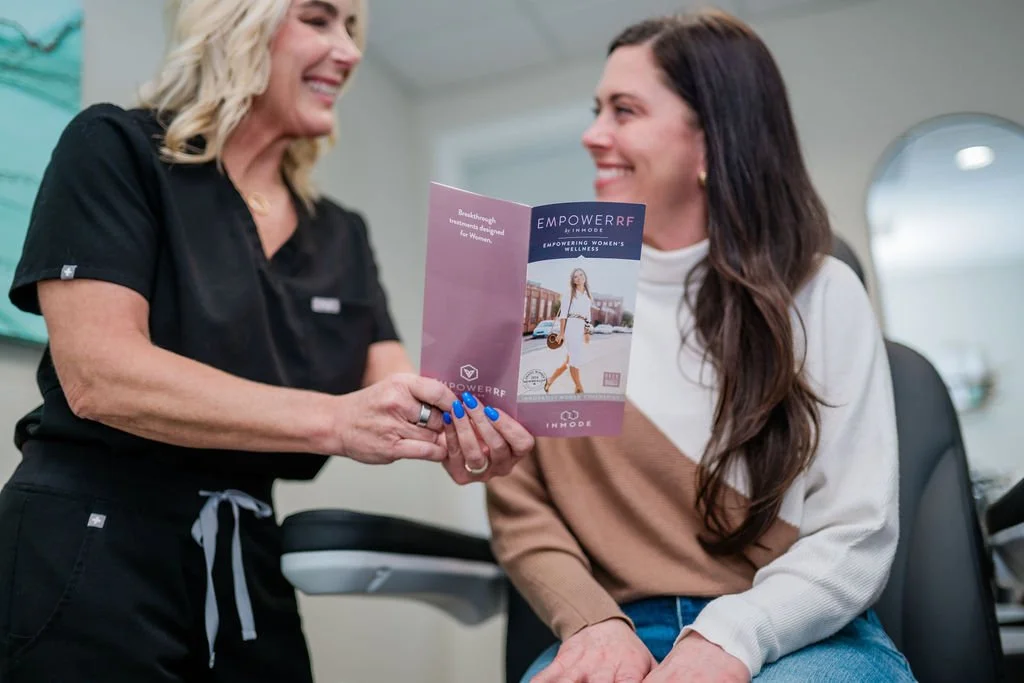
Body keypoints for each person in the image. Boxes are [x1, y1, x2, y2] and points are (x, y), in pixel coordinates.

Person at [0, 1, 534, 681]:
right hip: (90, 541)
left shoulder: (341, 233)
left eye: (352, 29)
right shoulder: (117, 147)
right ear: (236, 22)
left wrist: (465, 426)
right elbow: (99, 375)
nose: (349, 51)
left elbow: (401, 390)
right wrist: (335, 419)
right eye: (319, 19)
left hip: (246, 554)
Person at [486, 10, 917, 683]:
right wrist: (591, 621)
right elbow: (525, 510)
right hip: (619, 630)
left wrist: (729, 638)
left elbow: (855, 533)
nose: (592, 133)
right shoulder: (573, 289)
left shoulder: (819, 291)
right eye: (597, 109)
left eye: (624, 110)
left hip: (793, 631)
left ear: (712, 141)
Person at [544, 267, 593, 394]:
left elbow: (588, 316)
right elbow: (563, 315)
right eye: (575, 276)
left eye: (581, 275)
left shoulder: (588, 297)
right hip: (570, 327)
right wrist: (561, 333)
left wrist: (587, 332)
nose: (579, 277)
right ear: (573, 280)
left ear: (585, 277)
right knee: (574, 360)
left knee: (568, 361)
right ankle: (579, 388)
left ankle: (550, 380)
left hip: (580, 328)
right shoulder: (569, 293)